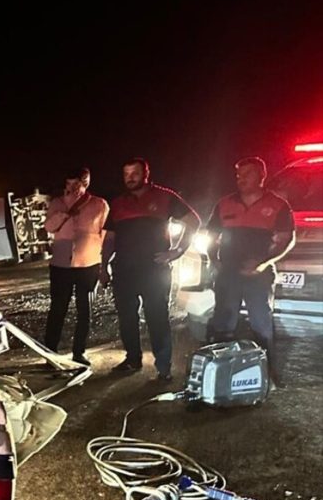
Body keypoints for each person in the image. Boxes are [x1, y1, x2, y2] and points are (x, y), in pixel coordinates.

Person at [102, 158, 200, 381]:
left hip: (154, 270)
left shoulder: (164, 197)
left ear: (146, 173)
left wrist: (177, 251)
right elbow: (110, 237)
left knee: (157, 317)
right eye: (126, 174)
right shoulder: (118, 203)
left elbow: (194, 221)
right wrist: (103, 265)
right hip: (124, 270)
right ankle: (132, 359)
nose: (130, 178)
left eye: (135, 173)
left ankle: (163, 367)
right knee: (127, 318)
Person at [206, 156, 296, 385]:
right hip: (228, 275)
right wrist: (213, 259)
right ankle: (221, 375)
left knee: (261, 324)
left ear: (261, 176)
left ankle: (267, 374)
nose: (241, 179)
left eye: (247, 174)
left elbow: (287, 239)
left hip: (259, 275)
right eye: (238, 174)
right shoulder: (224, 204)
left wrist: (263, 263)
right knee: (224, 323)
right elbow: (211, 235)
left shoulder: (277, 205)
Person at [43, 167, 109, 366]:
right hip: (61, 265)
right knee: (57, 310)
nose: (72, 188)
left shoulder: (99, 204)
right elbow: (49, 227)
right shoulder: (57, 203)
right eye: (68, 184)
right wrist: (65, 213)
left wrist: (105, 263)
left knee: (84, 311)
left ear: (86, 182)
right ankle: (50, 353)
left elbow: (104, 234)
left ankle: (78, 352)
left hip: (88, 264)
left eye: (77, 184)